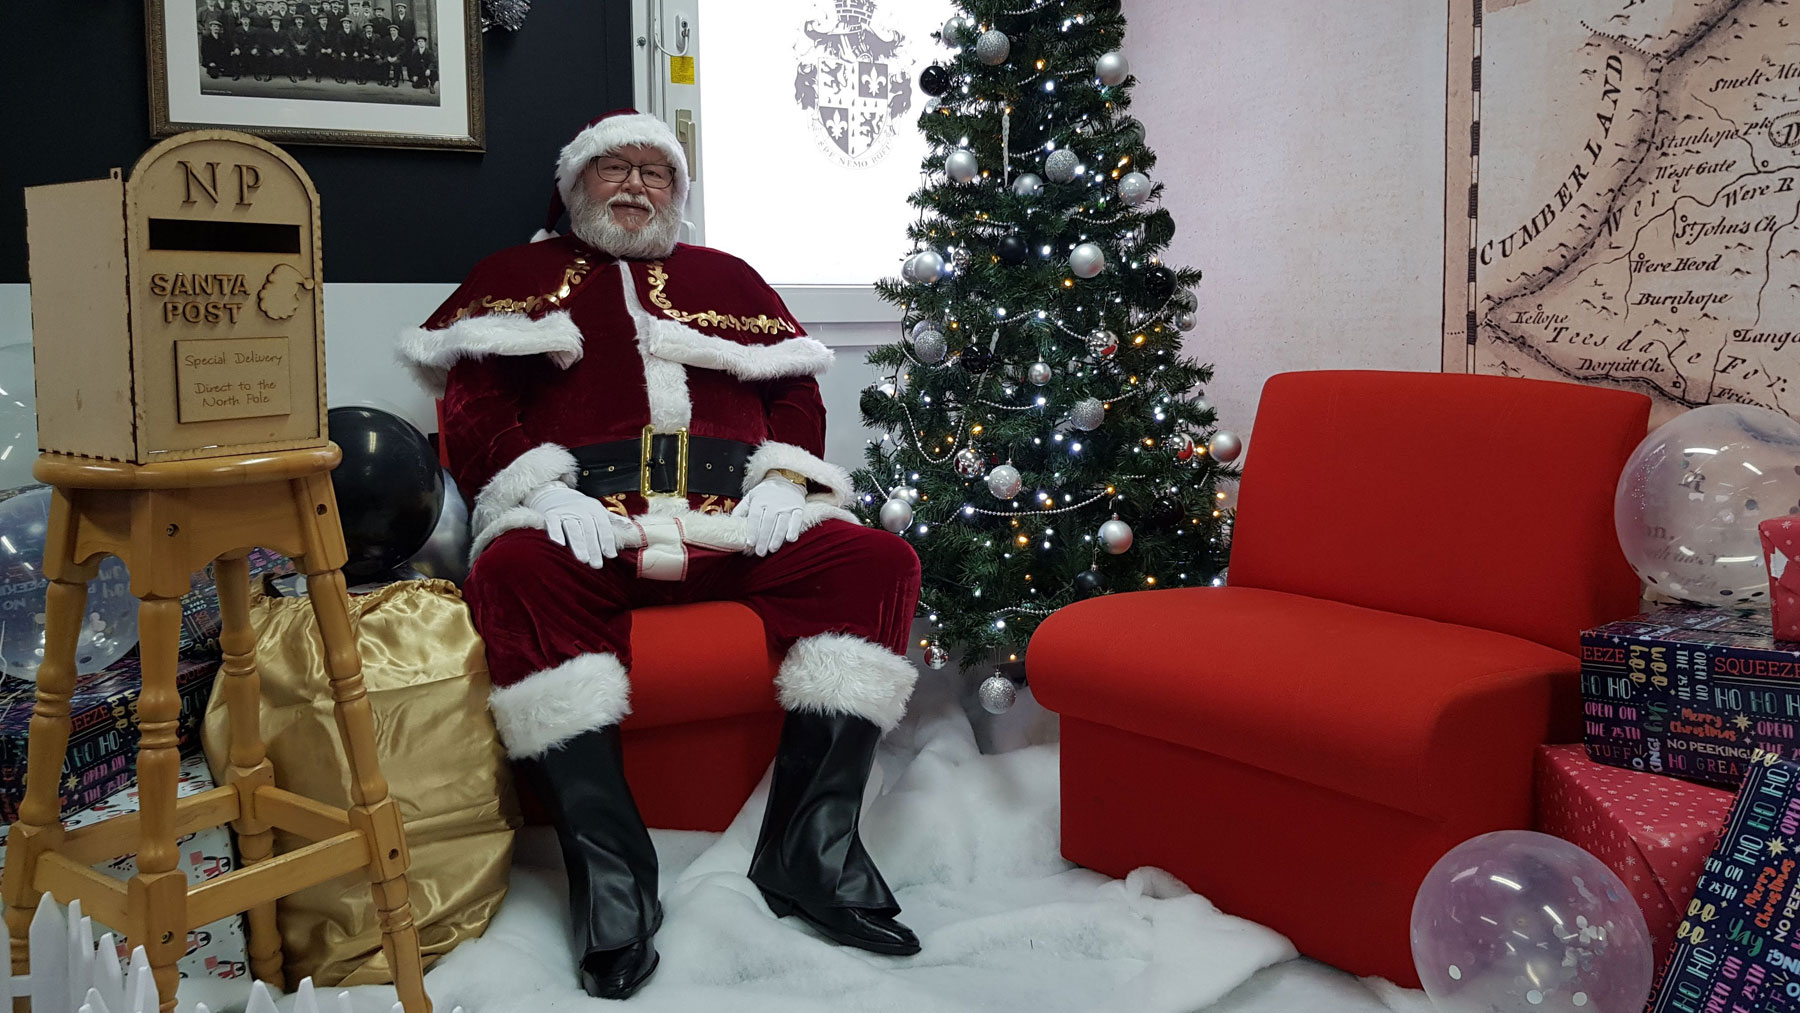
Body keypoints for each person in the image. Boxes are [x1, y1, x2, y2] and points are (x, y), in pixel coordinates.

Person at [397, 110, 922, 1001]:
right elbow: (476, 408)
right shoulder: (513, 279)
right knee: (513, 574)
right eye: (615, 168)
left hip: (733, 524)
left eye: (658, 172)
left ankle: (813, 847)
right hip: (588, 523)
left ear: (679, 191)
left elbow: (795, 393)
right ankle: (612, 874)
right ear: (574, 186)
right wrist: (539, 492)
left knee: (877, 563)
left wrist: (784, 479)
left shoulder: (729, 279)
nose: (638, 185)